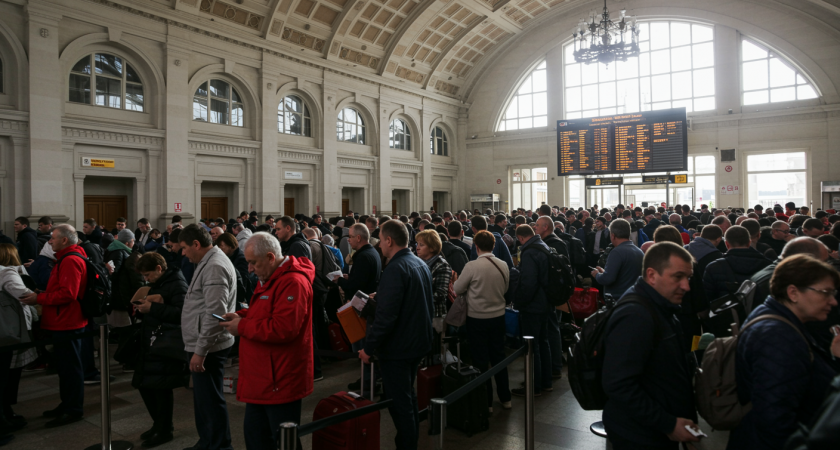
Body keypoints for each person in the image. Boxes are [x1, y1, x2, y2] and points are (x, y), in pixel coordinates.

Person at [727, 254, 840, 450]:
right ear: (793, 293)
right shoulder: (777, 337)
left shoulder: (776, 318)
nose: (833, 301)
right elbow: (774, 419)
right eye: (825, 292)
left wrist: (834, 358)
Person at [218, 232, 315, 450]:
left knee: (284, 441)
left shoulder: (293, 282)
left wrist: (242, 326)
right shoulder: (272, 276)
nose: (250, 269)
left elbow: (284, 328)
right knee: (257, 437)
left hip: (280, 378)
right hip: (263, 376)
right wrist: (241, 315)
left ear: (271, 257)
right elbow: (265, 310)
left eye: (253, 263)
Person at [602, 242, 699, 449]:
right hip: (639, 435)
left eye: (688, 278)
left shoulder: (660, 306)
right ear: (652, 275)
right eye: (678, 277)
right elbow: (619, 384)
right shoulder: (636, 315)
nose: (686, 286)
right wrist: (668, 424)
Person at [360, 220, 433, 450]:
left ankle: (407, 445)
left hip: (399, 348)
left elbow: (386, 317)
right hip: (417, 341)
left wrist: (369, 348)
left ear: (389, 240)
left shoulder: (395, 268)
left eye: (381, 240)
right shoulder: (419, 263)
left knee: (400, 404)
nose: (380, 245)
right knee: (407, 397)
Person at [20, 224, 88, 428]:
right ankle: (66, 404)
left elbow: (68, 294)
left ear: (64, 240)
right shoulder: (66, 258)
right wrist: (43, 293)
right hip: (64, 320)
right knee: (65, 367)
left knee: (70, 368)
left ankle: (73, 409)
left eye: (53, 238)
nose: (49, 241)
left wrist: (39, 298)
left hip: (67, 322)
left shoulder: (70, 260)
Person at [179, 224, 237, 450]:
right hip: (204, 342)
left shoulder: (214, 265)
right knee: (204, 400)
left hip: (209, 346)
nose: (183, 253)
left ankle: (219, 446)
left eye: (184, 248)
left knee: (210, 400)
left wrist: (200, 351)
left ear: (196, 244)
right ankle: (207, 442)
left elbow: (215, 314)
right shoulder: (208, 261)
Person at [130, 252, 189, 448]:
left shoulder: (177, 283)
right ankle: (158, 425)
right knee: (145, 385)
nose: (146, 279)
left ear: (159, 268)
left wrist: (152, 309)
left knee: (160, 388)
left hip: (165, 343)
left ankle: (164, 429)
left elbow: (182, 313)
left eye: (148, 275)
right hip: (152, 340)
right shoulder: (160, 282)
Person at [452, 230, 512, 412]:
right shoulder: (503, 264)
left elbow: (457, 289)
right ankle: (505, 398)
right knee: (499, 357)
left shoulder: (472, 266)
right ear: (493, 245)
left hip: (477, 318)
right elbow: (506, 289)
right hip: (498, 316)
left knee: (480, 359)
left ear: (476, 246)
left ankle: (486, 402)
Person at [336, 223, 381, 394]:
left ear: (359, 238)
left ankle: (369, 382)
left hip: (362, 305)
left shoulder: (362, 256)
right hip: (368, 303)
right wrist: (350, 277)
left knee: (362, 345)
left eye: (350, 237)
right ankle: (368, 378)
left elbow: (356, 286)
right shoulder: (372, 252)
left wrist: (340, 281)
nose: (348, 240)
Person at [0, 244, 38, 439]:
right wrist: (44, 295)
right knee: (4, 375)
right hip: (7, 332)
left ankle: (6, 413)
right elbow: (23, 294)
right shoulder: (6, 272)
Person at [511, 225, 553, 397]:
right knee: (543, 342)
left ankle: (533, 385)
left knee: (531, 346)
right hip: (546, 302)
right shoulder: (543, 246)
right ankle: (546, 382)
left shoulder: (529, 253)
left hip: (533, 306)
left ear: (521, 238)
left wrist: (519, 302)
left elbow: (528, 283)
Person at [592, 219, 645, 299]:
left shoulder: (616, 252)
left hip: (618, 299)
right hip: (633, 298)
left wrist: (597, 274)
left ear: (613, 235)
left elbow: (607, 279)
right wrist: (604, 273)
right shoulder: (639, 251)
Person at [415, 230, 452, 321]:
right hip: (420, 312)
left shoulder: (442, 265)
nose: (417, 248)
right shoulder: (418, 262)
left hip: (435, 315)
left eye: (421, 245)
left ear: (432, 248)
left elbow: (441, 293)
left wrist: (416, 298)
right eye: (417, 244)